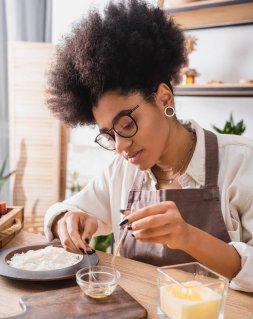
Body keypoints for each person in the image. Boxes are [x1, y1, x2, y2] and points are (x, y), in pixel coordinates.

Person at [44, 0, 253, 292]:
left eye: (127, 124)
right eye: (109, 135)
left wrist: (188, 237)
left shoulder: (243, 163)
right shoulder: (122, 171)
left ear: (164, 98)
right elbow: (68, 209)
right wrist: (66, 220)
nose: (120, 147)